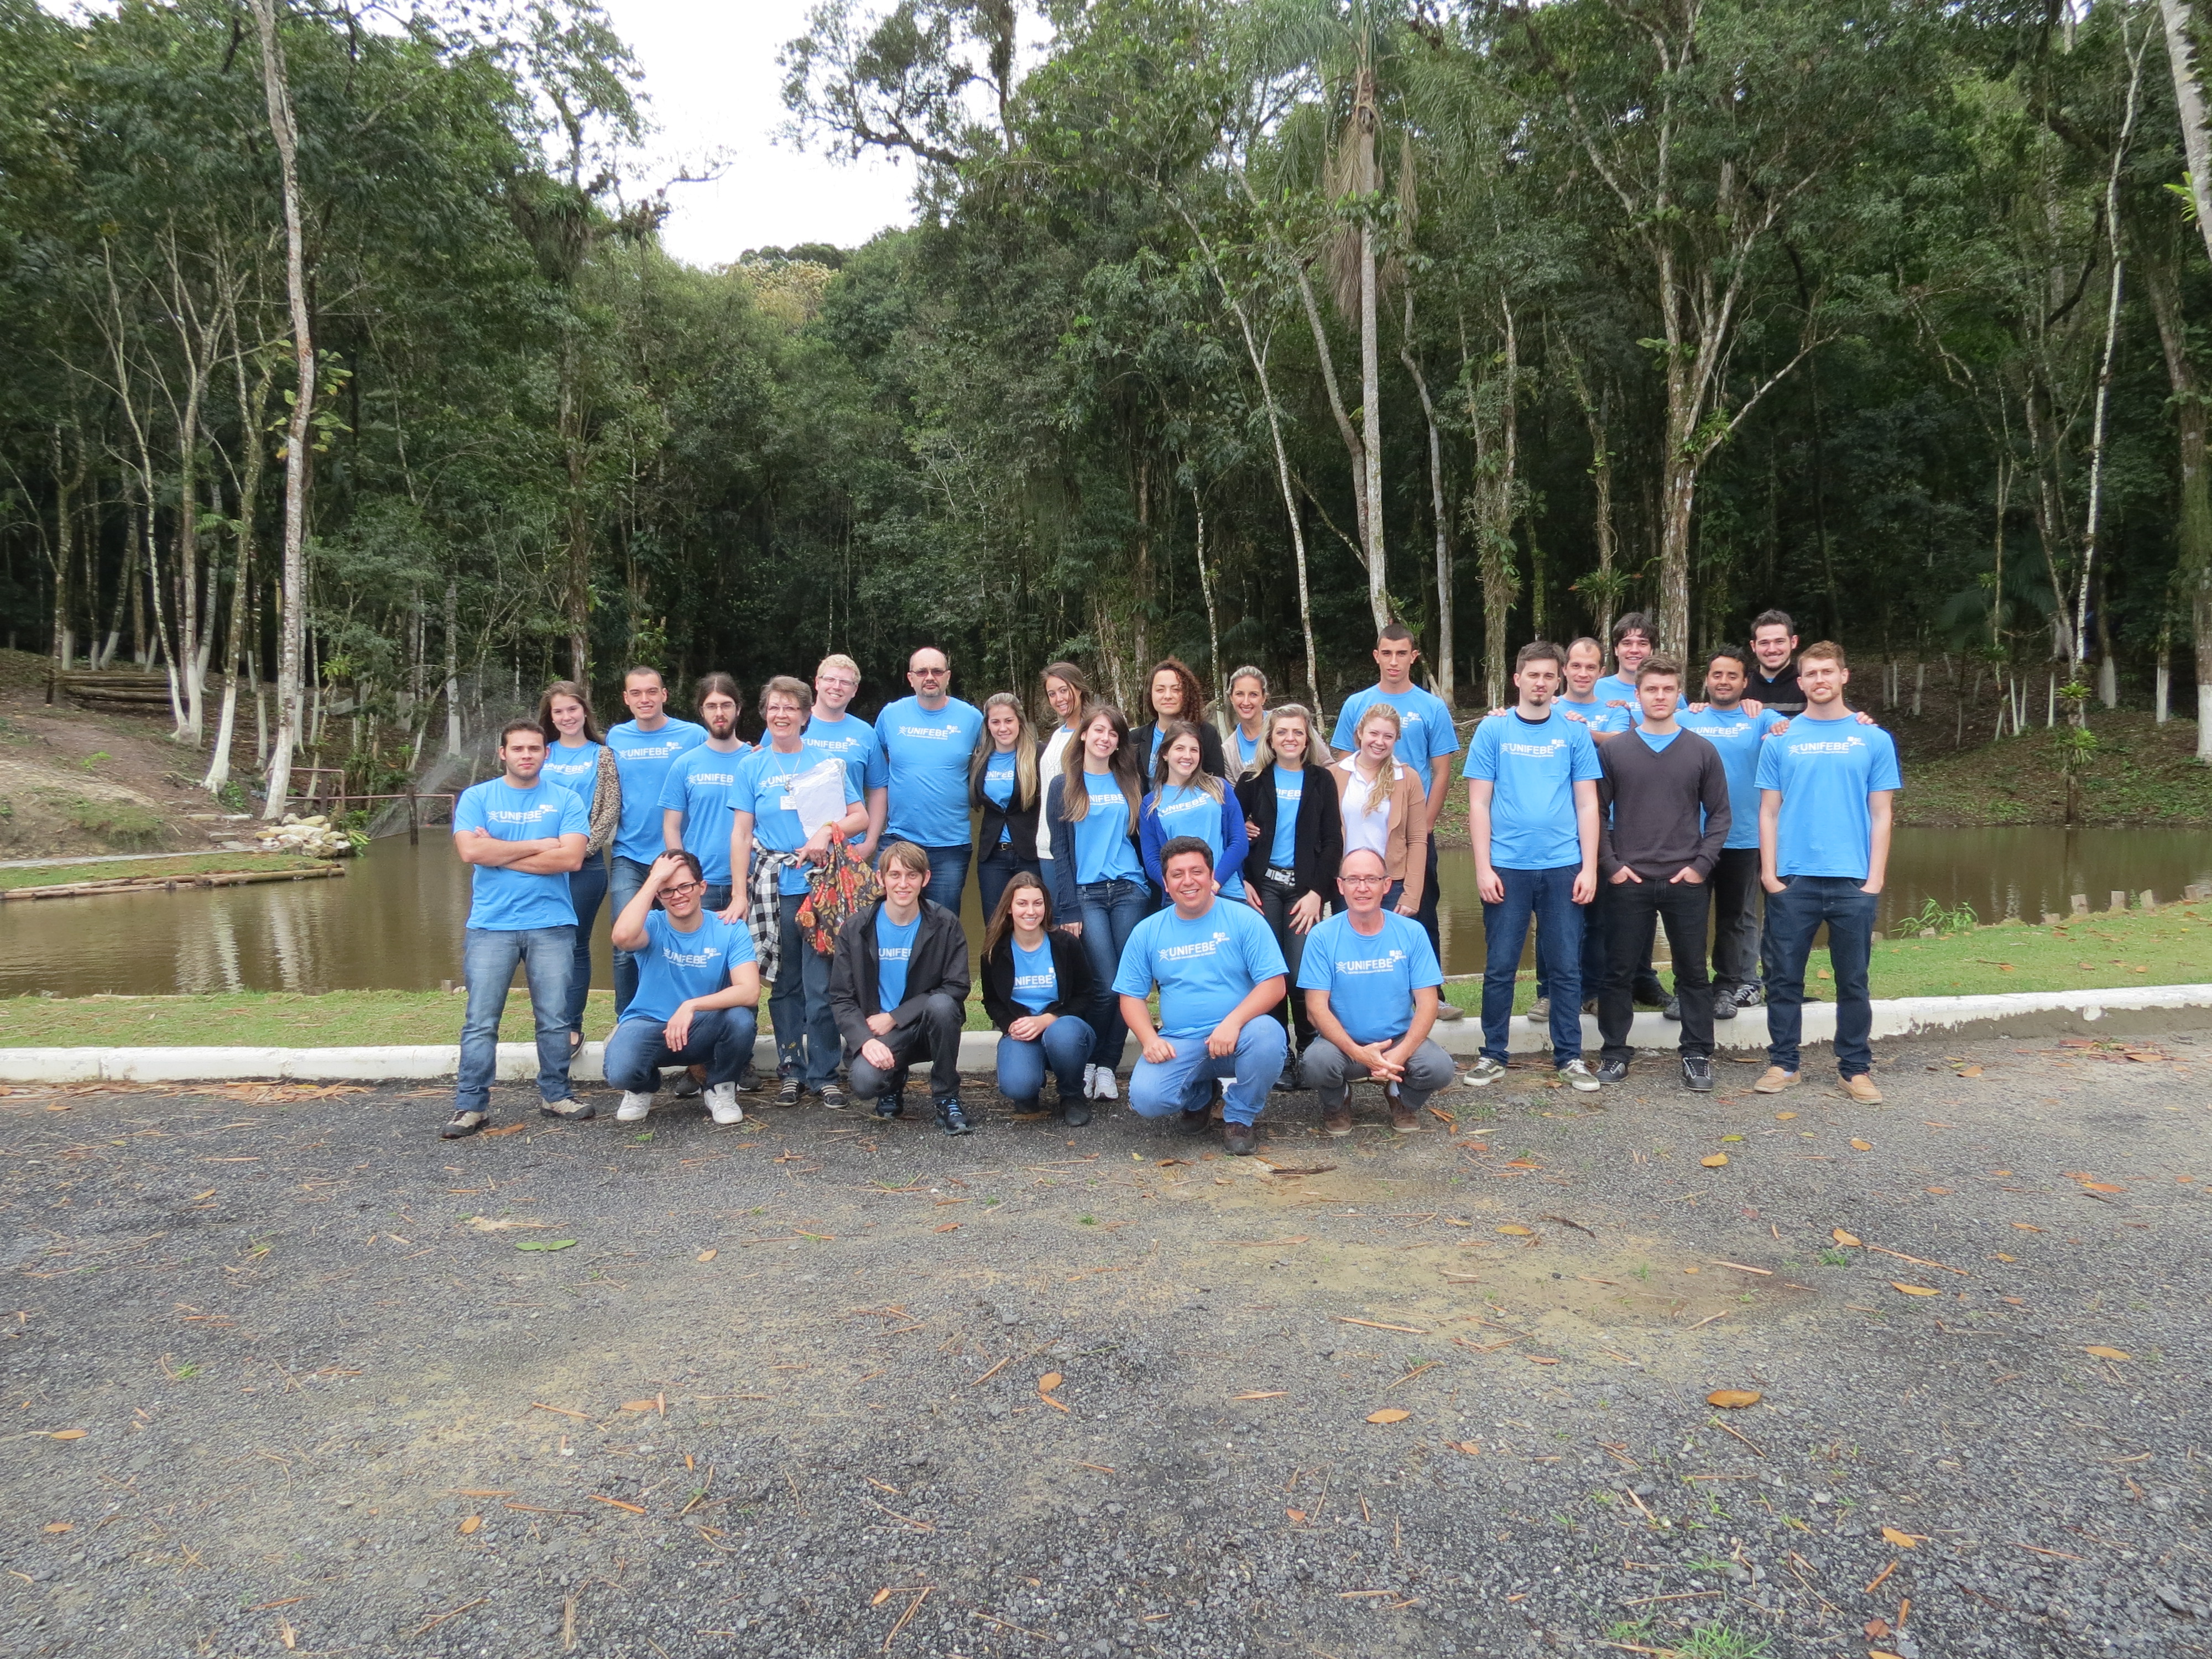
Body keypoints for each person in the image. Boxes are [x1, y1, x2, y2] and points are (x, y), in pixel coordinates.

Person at [1755, 641, 1900, 1104]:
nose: (1819, 680)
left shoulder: (1873, 739)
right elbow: (1768, 812)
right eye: (1811, 674)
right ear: (1800, 683)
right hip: (1793, 879)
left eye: (1827, 672)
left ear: (1844, 677)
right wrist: (1769, 875)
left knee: (1853, 979)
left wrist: (1874, 879)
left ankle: (1854, 1069)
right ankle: (1783, 1063)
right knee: (1783, 979)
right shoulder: (1780, 738)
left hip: (1852, 881)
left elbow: (1882, 813)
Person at [1463, 640, 1603, 1094]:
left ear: (1558, 680)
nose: (1540, 683)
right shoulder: (1493, 731)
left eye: (1549, 676)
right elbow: (1479, 804)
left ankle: (1570, 1057)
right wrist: (1483, 868)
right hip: (1507, 866)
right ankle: (1492, 1054)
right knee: (1501, 966)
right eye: (1533, 675)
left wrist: (1590, 868)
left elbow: (1587, 804)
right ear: (1517, 678)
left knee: (1566, 968)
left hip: (1564, 866)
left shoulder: (1574, 732)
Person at [726, 675, 869, 1109]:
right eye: (774, 707)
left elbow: (859, 817)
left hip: (821, 887)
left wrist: (829, 831)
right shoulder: (752, 766)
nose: (781, 714)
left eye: (790, 708)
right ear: (765, 713)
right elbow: (740, 834)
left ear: (806, 716)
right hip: (774, 886)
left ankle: (824, 1072)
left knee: (820, 984)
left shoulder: (826, 762)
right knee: (785, 986)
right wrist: (738, 894)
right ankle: (792, 1070)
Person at [445, 718, 590, 1138]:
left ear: (547, 754)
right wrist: (541, 844)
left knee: (555, 1018)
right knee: (480, 1020)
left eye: (535, 748)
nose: (527, 755)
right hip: (491, 925)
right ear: (502, 754)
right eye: (518, 749)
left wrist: (498, 853)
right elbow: (470, 850)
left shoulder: (566, 799)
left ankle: (556, 1094)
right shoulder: (476, 797)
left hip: (552, 923)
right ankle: (471, 1106)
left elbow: (571, 860)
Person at [1592, 656, 1730, 1092]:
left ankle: (1696, 1055)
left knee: (1692, 972)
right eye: (1651, 689)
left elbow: (1721, 814)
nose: (1659, 696)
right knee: (1617, 972)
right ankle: (1614, 1052)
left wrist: (1701, 865)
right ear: (1638, 696)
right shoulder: (1615, 750)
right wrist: (1611, 866)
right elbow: (1595, 813)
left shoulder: (1701, 750)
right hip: (1628, 881)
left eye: (1668, 689)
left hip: (1684, 881)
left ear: (1679, 695)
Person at [1114, 836, 1289, 1157]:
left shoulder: (1245, 920)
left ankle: (1240, 1117)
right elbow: (1130, 996)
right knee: (1147, 1099)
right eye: (1177, 874)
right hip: (1181, 1040)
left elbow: (1274, 985)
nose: (1188, 881)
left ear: (1211, 877)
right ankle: (1200, 1097)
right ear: (1165, 885)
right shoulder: (1147, 931)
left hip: (1240, 1037)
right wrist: (1149, 1039)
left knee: (1269, 1035)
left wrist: (1233, 1023)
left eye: (1196, 871)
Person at [1329, 622, 1460, 987]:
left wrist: (1425, 825)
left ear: (1413, 657)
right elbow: (1341, 767)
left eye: (1402, 653)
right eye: (1386, 653)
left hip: (1411, 829)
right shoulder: (1357, 705)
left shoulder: (1431, 707)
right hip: (1357, 844)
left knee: (1420, 912)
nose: (1394, 661)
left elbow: (1442, 770)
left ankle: (1431, 991)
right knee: (1353, 917)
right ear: (1376, 656)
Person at [1298, 848, 1454, 1136]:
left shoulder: (1412, 932)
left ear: (1387, 885)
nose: (1362, 888)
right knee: (1316, 1064)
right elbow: (1315, 1009)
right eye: (1353, 879)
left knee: (1439, 1067)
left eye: (1371, 879)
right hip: (1342, 1045)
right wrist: (1359, 1052)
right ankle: (1337, 1102)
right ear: (1340, 886)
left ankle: (1400, 1097)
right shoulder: (1322, 936)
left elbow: (1429, 1004)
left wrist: (1399, 1055)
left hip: (1398, 1041)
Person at [603, 850, 762, 1125]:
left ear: (702, 887)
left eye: (685, 886)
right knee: (620, 1072)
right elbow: (622, 937)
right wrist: (654, 880)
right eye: (667, 891)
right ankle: (642, 1087)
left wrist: (691, 1006)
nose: (677, 896)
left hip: (703, 1026)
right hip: (650, 1024)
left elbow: (750, 991)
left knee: (741, 1019)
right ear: (658, 896)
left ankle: (721, 1087)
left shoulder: (729, 928)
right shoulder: (651, 924)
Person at [830, 841, 975, 1133]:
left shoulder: (945, 923)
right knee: (864, 1082)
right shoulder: (856, 928)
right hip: (880, 1034)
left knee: (944, 1005)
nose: (903, 884)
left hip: (927, 1027)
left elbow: (957, 985)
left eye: (912, 875)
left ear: (926, 879)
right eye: (895, 875)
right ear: (881, 879)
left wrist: (897, 1016)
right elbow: (841, 998)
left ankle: (947, 1097)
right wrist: (865, 1041)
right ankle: (892, 1083)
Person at [1046, 704, 1151, 1104]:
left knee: (1128, 986)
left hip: (1130, 889)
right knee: (1104, 985)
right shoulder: (1064, 785)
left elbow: (1147, 837)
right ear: (1085, 735)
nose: (1106, 739)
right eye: (1100, 731)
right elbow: (1060, 851)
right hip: (1087, 895)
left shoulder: (1130, 780)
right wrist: (1067, 908)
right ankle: (1089, 1061)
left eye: (1114, 734)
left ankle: (1106, 1066)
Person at [1234, 704, 1341, 1053]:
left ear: (1307, 738)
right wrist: (1243, 880)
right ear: (1270, 738)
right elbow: (1232, 836)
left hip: (1302, 889)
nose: (1290, 738)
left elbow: (1332, 842)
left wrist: (1317, 894)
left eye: (1298, 732)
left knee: (1298, 972)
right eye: (1282, 732)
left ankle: (1310, 1047)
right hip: (1263, 886)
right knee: (1270, 974)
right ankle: (1279, 1053)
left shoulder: (1321, 780)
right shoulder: (1251, 781)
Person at [605, 667, 707, 1017]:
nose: (644, 699)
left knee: (686, 941)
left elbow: (720, 760)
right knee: (625, 943)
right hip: (630, 856)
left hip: (680, 857)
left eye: (652, 692)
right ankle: (628, 1020)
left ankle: (688, 1017)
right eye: (636, 693)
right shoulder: (616, 738)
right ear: (626, 698)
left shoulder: (692, 735)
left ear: (664, 695)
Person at [1677, 646, 1768, 1018]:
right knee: (1689, 918)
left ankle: (1727, 988)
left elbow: (1802, 729)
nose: (1724, 681)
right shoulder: (1686, 718)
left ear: (1745, 683)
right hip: (1690, 838)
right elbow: (1643, 731)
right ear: (1706, 680)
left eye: (1733, 675)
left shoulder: (1761, 719)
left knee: (1733, 918)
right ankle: (1689, 989)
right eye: (1718, 675)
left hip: (1742, 837)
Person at [536, 680, 620, 1053]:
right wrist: (544, 852)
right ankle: (548, 1024)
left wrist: (579, 849)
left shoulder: (602, 754)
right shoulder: (539, 752)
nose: (567, 717)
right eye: (559, 711)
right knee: (542, 944)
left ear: (584, 711)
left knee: (576, 946)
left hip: (584, 867)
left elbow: (609, 808)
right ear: (549, 717)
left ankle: (572, 1026)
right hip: (540, 864)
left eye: (573, 709)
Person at [870, 646, 985, 912]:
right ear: (910, 678)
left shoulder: (971, 718)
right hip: (899, 838)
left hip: (951, 845)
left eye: (937, 671)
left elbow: (1000, 757)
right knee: (883, 918)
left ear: (948, 676)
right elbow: (865, 764)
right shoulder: (890, 715)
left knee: (942, 927)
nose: (929, 677)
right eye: (922, 672)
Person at [978, 872, 1097, 1123]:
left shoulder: (1065, 944)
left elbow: (1086, 996)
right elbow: (991, 1001)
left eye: (1038, 903)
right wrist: (1010, 1024)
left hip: (1063, 1027)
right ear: (1009, 908)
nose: (1030, 911)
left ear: (1046, 906)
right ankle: (1031, 1080)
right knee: (1018, 1087)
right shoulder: (994, 950)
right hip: (1022, 1029)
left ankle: (1072, 1094)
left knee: (1063, 1034)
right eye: (1022, 903)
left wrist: (1047, 1020)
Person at [660, 672, 750, 913]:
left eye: (726, 705)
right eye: (711, 706)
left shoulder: (756, 761)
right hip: (701, 884)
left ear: (738, 709)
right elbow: (671, 826)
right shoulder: (685, 764)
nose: (719, 713)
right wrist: (683, 874)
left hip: (749, 882)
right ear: (702, 711)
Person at [1331, 703, 1426, 917]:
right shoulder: (1335, 775)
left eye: (1388, 736)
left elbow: (1418, 839)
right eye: (1374, 733)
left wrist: (1412, 895)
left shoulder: (1408, 779)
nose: (1379, 742)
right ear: (1360, 733)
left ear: (1396, 740)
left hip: (1391, 886)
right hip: (1347, 885)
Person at [1140, 721, 1248, 898]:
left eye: (1194, 750)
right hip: (1182, 896)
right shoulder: (1151, 802)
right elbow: (1152, 858)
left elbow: (1239, 843)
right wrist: (1179, 887)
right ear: (1165, 754)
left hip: (1225, 891)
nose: (1188, 756)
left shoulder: (1219, 788)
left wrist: (1214, 883)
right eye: (1180, 749)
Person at [971, 692, 1044, 923]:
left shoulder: (1038, 755)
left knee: (1033, 922)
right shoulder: (979, 759)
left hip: (1030, 853)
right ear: (988, 726)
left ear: (1020, 722)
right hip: (993, 857)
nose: (1003, 728)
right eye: (996, 722)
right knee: (995, 926)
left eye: (1008, 721)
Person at [806, 654, 887, 859]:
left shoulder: (865, 733)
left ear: (854, 690)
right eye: (830, 679)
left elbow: (878, 790)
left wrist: (870, 841)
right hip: (795, 842)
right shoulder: (790, 722)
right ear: (817, 683)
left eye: (845, 682)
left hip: (849, 844)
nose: (837, 687)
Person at [1127, 658, 1228, 778]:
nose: (1168, 696)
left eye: (1176, 690)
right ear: (1151, 694)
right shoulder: (1135, 738)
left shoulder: (1206, 733)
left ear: (1187, 693)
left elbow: (1217, 782)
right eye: (1160, 690)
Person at [1035, 661, 1092, 872]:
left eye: (1063, 691)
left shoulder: (1094, 733)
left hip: (1079, 844)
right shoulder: (1057, 735)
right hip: (1047, 843)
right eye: (1052, 694)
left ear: (1078, 688)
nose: (1059, 699)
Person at [1592, 613, 1655, 718]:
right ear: (1616, 649)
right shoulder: (1595, 689)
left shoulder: (1666, 690)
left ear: (1651, 650)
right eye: (1627, 643)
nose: (1634, 650)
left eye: (1642, 644)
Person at [1747, 611, 1807, 719]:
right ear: (1753, 646)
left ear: (1793, 642)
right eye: (1764, 643)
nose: (1772, 650)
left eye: (1779, 642)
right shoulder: (1741, 686)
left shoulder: (1808, 683)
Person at [1219, 666, 1270, 775]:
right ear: (1231, 698)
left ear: (1264, 698)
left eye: (1253, 695)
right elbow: (1235, 791)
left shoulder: (1286, 724)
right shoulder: (1228, 751)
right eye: (1240, 694)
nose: (1246, 702)